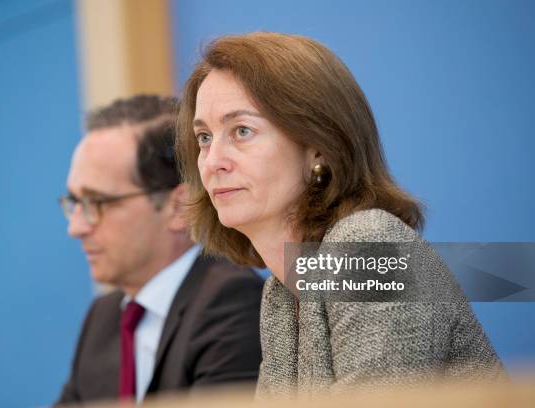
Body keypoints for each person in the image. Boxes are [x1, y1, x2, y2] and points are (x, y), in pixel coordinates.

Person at [175, 33, 505, 398]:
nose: (213, 161)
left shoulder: (371, 247)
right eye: (204, 137)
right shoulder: (281, 295)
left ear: (318, 147)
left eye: (242, 131)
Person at [55, 95, 264, 405]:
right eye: (75, 203)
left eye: (97, 203)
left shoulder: (232, 300)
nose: (76, 228)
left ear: (178, 207)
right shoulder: (103, 316)